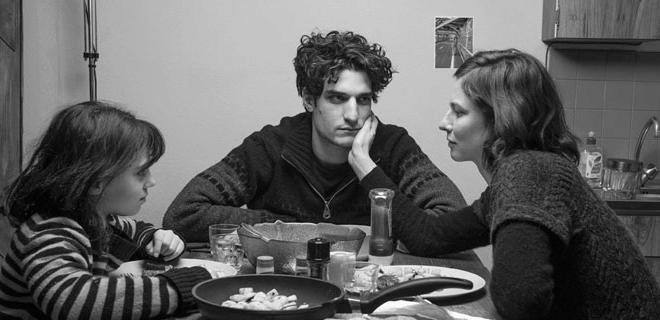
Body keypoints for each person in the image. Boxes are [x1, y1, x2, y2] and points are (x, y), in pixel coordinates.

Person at [393, 49, 660, 319]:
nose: (443, 123)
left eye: (459, 112)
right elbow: (429, 236)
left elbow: (520, 301)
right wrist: (365, 163)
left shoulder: (528, 173)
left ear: (501, 119)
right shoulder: (528, 173)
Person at [163, 30, 467, 242]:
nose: (353, 115)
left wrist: (369, 171)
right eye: (337, 99)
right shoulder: (271, 145)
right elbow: (183, 214)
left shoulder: (392, 145)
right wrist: (296, 230)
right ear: (310, 100)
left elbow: (453, 223)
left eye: (363, 100)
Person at [0, 101, 216, 319]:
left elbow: (136, 229)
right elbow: (74, 303)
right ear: (95, 182)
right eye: (141, 172)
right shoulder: (50, 232)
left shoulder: (99, 220)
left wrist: (157, 239)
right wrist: (178, 287)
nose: (152, 182)